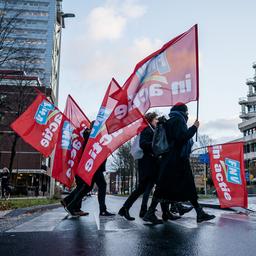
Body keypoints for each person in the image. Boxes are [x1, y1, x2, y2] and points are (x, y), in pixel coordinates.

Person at [143, 103, 215, 224]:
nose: (187, 115)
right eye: (186, 113)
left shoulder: (170, 120)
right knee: (187, 185)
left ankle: (152, 212)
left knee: (165, 187)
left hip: (169, 159)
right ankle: (199, 213)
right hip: (177, 160)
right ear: (183, 112)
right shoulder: (178, 120)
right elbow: (181, 138)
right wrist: (194, 128)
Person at [118, 112, 180, 223]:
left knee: (147, 188)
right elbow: (143, 144)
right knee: (160, 186)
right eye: (155, 119)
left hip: (150, 164)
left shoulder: (151, 130)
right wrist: (155, 145)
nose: (157, 121)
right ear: (150, 120)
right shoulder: (147, 130)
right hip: (148, 164)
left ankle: (125, 209)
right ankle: (161, 213)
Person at [61, 122, 115, 217]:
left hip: (92, 165)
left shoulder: (89, 136)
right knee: (101, 185)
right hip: (94, 166)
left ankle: (69, 202)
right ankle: (102, 210)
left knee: (87, 187)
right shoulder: (91, 136)